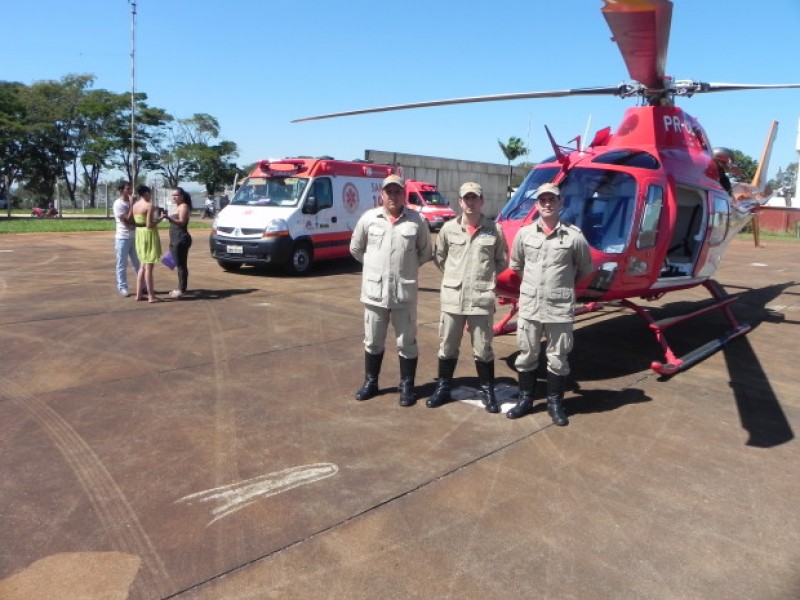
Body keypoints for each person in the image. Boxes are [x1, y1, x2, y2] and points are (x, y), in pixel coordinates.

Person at [507, 182, 593, 426]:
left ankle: (555, 403)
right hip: (531, 306)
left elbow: (586, 270)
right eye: (542, 200)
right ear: (536, 204)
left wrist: (565, 287)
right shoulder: (525, 234)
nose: (547, 204)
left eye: (551, 200)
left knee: (557, 357)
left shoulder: (574, 236)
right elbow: (517, 265)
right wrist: (534, 287)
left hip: (559, 308)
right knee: (527, 354)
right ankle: (525, 400)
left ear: (560, 204)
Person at [350, 174, 433, 406]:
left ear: (403, 194)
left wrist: (405, 267)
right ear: (382, 194)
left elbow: (426, 252)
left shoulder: (416, 221)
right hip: (375, 294)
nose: (393, 196)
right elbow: (356, 249)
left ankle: (407, 386)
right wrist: (376, 268)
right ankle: (371, 382)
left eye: (397, 191)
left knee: (407, 343)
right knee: (373, 340)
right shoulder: (369, 219)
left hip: (403, 294)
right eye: (389, 192)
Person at [427, 182, 508, 413]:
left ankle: (487, 390)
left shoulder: (494, 230)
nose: (470, 202)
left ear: (482, 201)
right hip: (453, 298)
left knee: (483, 349)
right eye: (466, 198)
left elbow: (501, 261)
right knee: (447, 346)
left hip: (481, 299)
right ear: (460, 202)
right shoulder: (448, 230)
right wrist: (455, 276)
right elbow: (440, 257)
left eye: (475, 198)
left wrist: (483, 280)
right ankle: (443, 388)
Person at [131, 184, 165, 303]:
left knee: (142, 266)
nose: (151, 195)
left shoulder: (135, 205)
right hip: (148, 234)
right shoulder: (148, 205)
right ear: (146, 193)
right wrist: (161, 218)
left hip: (139, 234)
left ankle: (139, 294)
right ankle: (151, 296)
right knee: (149, 267)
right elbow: (150, 224)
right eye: (150, 193)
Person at [163, 187, 193, 298]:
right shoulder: (177, 207)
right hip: (175, 239)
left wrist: (169, 218)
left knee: (181, 265)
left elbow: (181, 222)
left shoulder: (184, 207)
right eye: (172, 195)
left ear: (182, 196)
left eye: (175, 195)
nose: (173, 197)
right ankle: (181, 287)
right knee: (173, 262)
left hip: (181, 238)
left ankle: (181, 289)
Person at [112, 182, 139, 297]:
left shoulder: (133, 203)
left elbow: (137, 218)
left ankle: (142, 286)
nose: (130, 192)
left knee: (138, 263)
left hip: (134, 237)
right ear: (121, 190)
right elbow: (127, 220)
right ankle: (122, 287)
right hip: (122, 238)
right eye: (128, 189)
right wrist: (132, 204)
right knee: (122, 264)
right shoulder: (118, 204)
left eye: (131, 189)